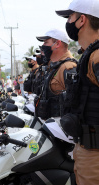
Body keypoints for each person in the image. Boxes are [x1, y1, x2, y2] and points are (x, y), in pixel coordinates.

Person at [56, 1, 99, 184]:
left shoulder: (96, 56)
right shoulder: (89, 54)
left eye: (70, 17)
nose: (68, 22)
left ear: (82, 20)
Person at [35, 28, 77, 121]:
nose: (43, 46)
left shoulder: (68, 67)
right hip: (52, 125)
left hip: (63, 128)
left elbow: (75, 103)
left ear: (57, 44)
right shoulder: (56, 66)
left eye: (46, 42)